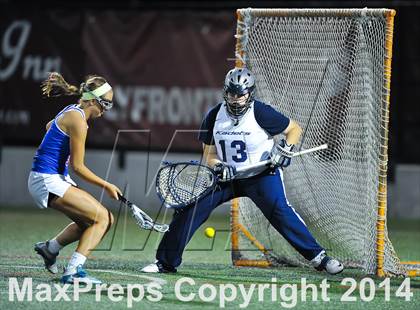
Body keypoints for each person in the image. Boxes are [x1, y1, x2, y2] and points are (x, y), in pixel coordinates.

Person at [142, 68, 344, 275]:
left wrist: (285, 150)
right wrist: (219, 166)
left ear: (250, 93)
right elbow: (209, 154)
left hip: (261, 175)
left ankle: (319, 257)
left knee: (279, 211)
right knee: (191, 209)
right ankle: (165, 263)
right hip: (226, 177)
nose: (236, 99)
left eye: (241, 94)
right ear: (225, 92)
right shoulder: (214, 116)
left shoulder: (261, 112)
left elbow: (294, 129)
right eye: (232, 93)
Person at [28, 72, 122, 284]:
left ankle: (50, 248)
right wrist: (106, 185)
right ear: (92, 100)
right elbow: (78, 167)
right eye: (105, 104)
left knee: (95, 221)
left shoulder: (72, 112)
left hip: (52, 176)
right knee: (102, 218)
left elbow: (49, 127)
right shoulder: (78, 120)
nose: (106, 110)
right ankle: (73, 272)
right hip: (47, 178)